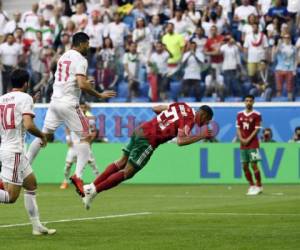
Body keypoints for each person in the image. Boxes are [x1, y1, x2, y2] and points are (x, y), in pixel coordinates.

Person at [26, 32, 116, 195]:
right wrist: (99, 95)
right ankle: (78, 176)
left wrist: (83, 83)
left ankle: (23, 166)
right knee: (87, 136)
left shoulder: (63, 56)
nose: (88, 47)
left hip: (54, 102)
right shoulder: (81, 59)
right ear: (81, 44)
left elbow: (68, 80)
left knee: (43, 136)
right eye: (87, 44)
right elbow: (81, 84)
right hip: (69, 104)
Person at [77, 103, 214, 209]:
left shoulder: (182, 106)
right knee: (128, 172)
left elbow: (156, 108)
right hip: (149, 139)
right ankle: (94, 191)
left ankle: (91, 186)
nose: (205, 124)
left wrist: (167, 120)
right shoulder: (189, 119)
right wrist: (201, 135)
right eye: (207, 121)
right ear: (203, 115)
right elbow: (181, 141)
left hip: (141, 130)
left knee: (121, 162)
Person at [0, 68, 56, 235]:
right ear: (26, 83)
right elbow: (29, 125)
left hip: (6, 146)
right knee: (11, 197)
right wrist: (43, 136)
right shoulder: (25, 99)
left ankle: (36, 226)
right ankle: (36, 225)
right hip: (15, 151)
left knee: (31, 184)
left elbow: (12, 114)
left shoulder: (2, 99)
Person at [60, 102, 99, 189]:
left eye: (84, 108)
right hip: (74, 146)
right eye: (80, 108)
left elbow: (94, 132)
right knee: (68, 165)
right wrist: (68, 138)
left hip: (84, 146)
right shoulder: (72, 119)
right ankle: (65, 181)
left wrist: (90, 141)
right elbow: (67, 128)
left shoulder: (90, 120)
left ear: (86, 109)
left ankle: (98, 181)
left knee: (93, 165)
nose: (82, 109)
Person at [236, 95, 263, 196]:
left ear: (253, 102)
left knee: (254, 164)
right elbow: (238, 128)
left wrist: (248, 139)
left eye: (250, 101)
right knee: (244, 166)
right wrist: (241, 139)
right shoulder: (239, 114)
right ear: (244, 102)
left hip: (253, 143)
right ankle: (251, 185)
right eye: (246, 101)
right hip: (243, 143)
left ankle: (259, 185)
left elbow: (257, 129)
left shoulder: (257, 114)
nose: (248, 102)